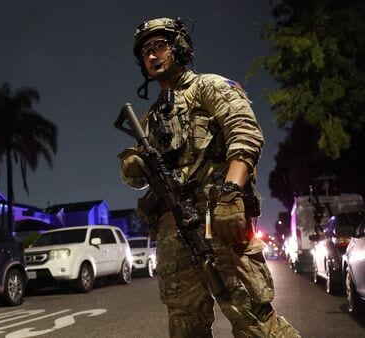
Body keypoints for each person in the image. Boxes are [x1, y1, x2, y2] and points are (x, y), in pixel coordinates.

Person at [119, 17, 300, 337]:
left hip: (218, 216)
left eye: (158, 46)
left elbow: (245, 135)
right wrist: (134, 164)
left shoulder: (210, 87)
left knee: (253, 318)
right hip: (173, 233)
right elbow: (134, 178)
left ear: (179, 47)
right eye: (144, 52)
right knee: (185, 322)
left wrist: (231, 191)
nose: (151, 56)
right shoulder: (150, 117)